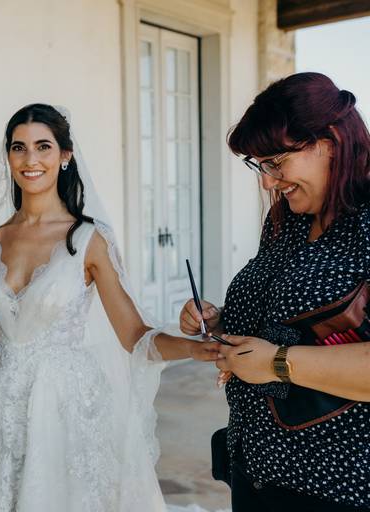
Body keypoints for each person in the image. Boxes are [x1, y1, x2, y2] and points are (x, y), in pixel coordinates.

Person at [0, 103, 221, 512]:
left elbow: (134, 336)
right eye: (19, 147)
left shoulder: (88, 239)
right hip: (2, 402)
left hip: (63, 405)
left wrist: (191, 347)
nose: (30, 160)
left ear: (65, 156)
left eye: (43, 147)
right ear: (7, 156)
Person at [179, 72, 370, 511]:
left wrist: (277, 363)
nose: (267, 182)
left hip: (334, 484)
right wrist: (220, 320)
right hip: (256, 466)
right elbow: (286, 318)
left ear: (331, 141)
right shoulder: (288, 220)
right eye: (259, 165)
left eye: (275, 163)